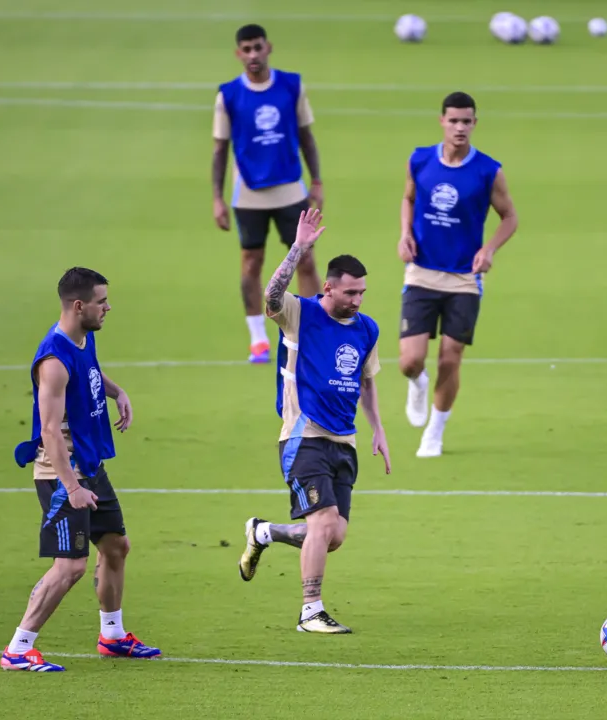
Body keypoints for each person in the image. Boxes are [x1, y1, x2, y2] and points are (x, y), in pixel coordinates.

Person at [238, 209, 391, 634]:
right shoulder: (299, 314)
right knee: (322, 524)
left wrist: (378, 428)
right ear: (328, 287)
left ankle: (264, 533)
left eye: (362, 293)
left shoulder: (367, 329)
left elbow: (367, 380)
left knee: (334, 535)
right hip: (303, 436)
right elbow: (269, 296)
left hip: (345, 440)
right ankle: (311, 611)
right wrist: (298, 248)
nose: (357, 300)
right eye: (350, 293)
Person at [3, 268, 161, 672]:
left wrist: (117, 391)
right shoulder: (53, 360)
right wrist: (72, 488)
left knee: (115, 546)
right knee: (70, 565)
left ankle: (112, 636)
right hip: (61, 474)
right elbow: (51, 432)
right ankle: (18, 649)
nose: (108, 307)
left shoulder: (82, 338)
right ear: (79, 305)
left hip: (89, 464)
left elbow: (89, 372)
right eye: (102, 301)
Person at [397, 91, 519, 457]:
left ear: (475, 124)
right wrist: (404, 233)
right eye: (454, 120)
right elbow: (408, 198)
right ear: (442, 122)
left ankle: (434, 431)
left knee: (450, 358)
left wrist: (489, 249)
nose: (460, 127)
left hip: (465, 278)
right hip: (421, 273)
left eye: (467, 121)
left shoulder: (488, 170)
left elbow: (510, 217)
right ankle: (417, 384)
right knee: (409, 361)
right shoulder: (419, 160)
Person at [212, 23, 324, 364]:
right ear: (238, 54)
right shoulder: (229, 95)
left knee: (306, 259)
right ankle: (258, 338)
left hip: (291, 188)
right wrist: (218, 198)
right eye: (246, 49)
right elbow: (220, 149)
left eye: (257, 47)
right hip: (249, 194)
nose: (253, 55)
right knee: (252, 262)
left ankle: (311, 331)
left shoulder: (291, 85)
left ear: (268, 47)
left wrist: (317, 180)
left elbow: (307, 137)